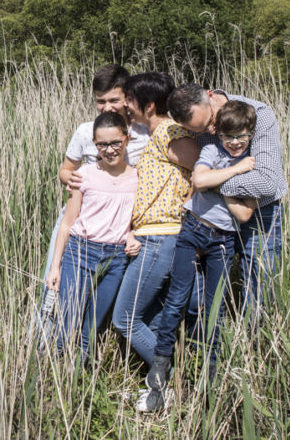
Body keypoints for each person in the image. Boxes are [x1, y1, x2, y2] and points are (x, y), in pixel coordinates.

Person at [140, 101, 258, 412]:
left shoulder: (256, 165)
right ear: (219, 134)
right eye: (228, 136)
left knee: (213, 309)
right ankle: (159, 373)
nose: (234, 143)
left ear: (251, 134)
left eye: (241, 137)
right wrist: (233, 173)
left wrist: (218, 181)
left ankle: (210, 382)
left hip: (223, 240)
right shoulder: (217, 154)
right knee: (177, 299)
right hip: (192, 230)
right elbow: (199, 180)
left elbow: (245, 213)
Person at [109, 72, 199, 405]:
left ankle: (169, 384)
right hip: (153, 236)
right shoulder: (156, 135)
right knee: (149, 317)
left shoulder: (169, 132)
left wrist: (188, 204)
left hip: (160, 237)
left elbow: (201, 168)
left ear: (148, 105)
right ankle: (165, 384)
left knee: (126, 319)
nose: (126, 106)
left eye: (130, 100)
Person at [167, 83, 287, 322]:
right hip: (208, 217)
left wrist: (211, 182)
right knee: (202, 292)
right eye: (201, 131)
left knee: (259, 288)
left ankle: (253, 349)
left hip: (261, 213)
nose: (211, 131)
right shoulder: (192, 125)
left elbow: (266, 183)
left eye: (211, 121)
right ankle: (209, 343)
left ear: (210, 96)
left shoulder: (259, 114)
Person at [45, 112, 141, 365]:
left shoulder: (138, 178)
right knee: (68, 319)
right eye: (102, 145)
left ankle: (80, 379)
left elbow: (134, 219)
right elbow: (67, 223)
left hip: (116, 259)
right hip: (80, 252)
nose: (109, 150)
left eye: (115, 143)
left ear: (127, 139)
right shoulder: (84, 175)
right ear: (94, 145)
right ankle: (54, 378)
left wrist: (131, 235)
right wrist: (55, 267)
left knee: (92, 325)